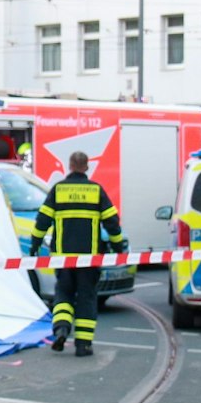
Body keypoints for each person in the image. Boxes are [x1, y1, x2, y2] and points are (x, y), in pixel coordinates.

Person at [27, 151, 125, 357]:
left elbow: (42, 220)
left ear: (70, 166)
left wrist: (35, 245)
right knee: (86, 298)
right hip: (89, 258)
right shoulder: (96, 191)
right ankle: (83, 345)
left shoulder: (58, 190)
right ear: (87, 167)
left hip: (63, 257)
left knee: (64, 294)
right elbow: (112, 223)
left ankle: (61, 328)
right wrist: (118, 249)